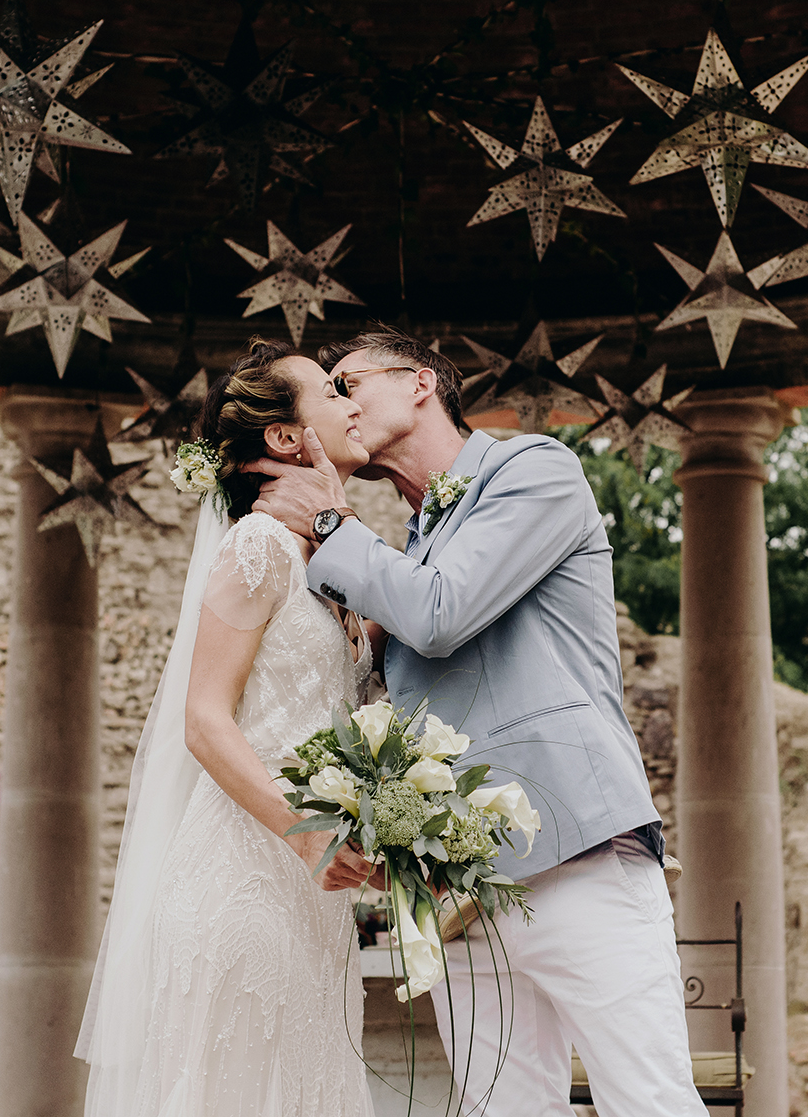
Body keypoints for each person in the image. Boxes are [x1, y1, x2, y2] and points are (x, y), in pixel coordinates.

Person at [249, 326, 702, 1116]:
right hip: (454, 888)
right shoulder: (401, 551)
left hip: (577, 855)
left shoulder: (534, 469)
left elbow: (442, 613)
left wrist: (328, 524)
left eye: (349, 384)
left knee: (651, 1103)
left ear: (421, 380)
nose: (341, 408)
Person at [75, 337, 381, 1117]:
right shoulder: (259, 546)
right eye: (333, 392)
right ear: (283, 437)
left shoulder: (334, 564)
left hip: (316, 905)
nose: (354, 404)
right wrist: (307, 831)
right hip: (241, 889)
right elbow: (205, 722)